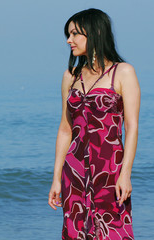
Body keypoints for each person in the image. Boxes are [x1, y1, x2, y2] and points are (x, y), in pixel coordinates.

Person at [48, 8, 140, 239]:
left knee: (112, 230)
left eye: (75, 34)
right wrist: (56, 178)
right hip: (75, 168)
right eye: (67, 34)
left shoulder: (123, 72)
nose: (69, 40)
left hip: (110, 168)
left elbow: (132, 127)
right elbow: (64, 129)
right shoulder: (71, 75)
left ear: (95, 32)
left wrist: (125, 173)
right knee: (75, 231)